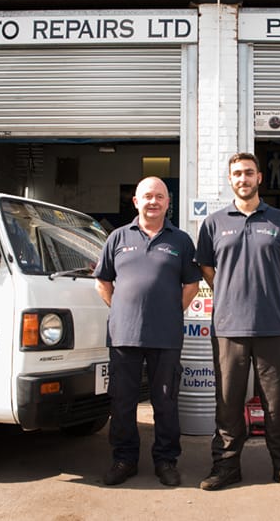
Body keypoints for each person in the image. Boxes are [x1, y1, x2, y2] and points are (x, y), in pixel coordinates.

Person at [196, 152, 280, 492]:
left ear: (259, 177)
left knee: (278, 402)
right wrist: (228, 293)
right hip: (228, 328)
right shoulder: (214, 223)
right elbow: (206, 267)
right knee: (227, 402)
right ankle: (226, 467)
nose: (243, 179)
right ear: (230, 180)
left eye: (248, 173)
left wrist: (272, 293)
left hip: (272, 326)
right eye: (237, 174)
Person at [94, 176, 201, 487]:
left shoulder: (181, 241)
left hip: (166, 336)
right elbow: (103, 281)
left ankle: (166, 460)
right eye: (147, 196)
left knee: (165, 402)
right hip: (123, 335)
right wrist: (122, 309)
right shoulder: (117, 237)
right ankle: (124, 459)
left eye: (160, 196)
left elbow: (191, 285)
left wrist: (168, 312)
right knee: (122, 402)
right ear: (136, 201)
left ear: (168, 202)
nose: (153, 201)